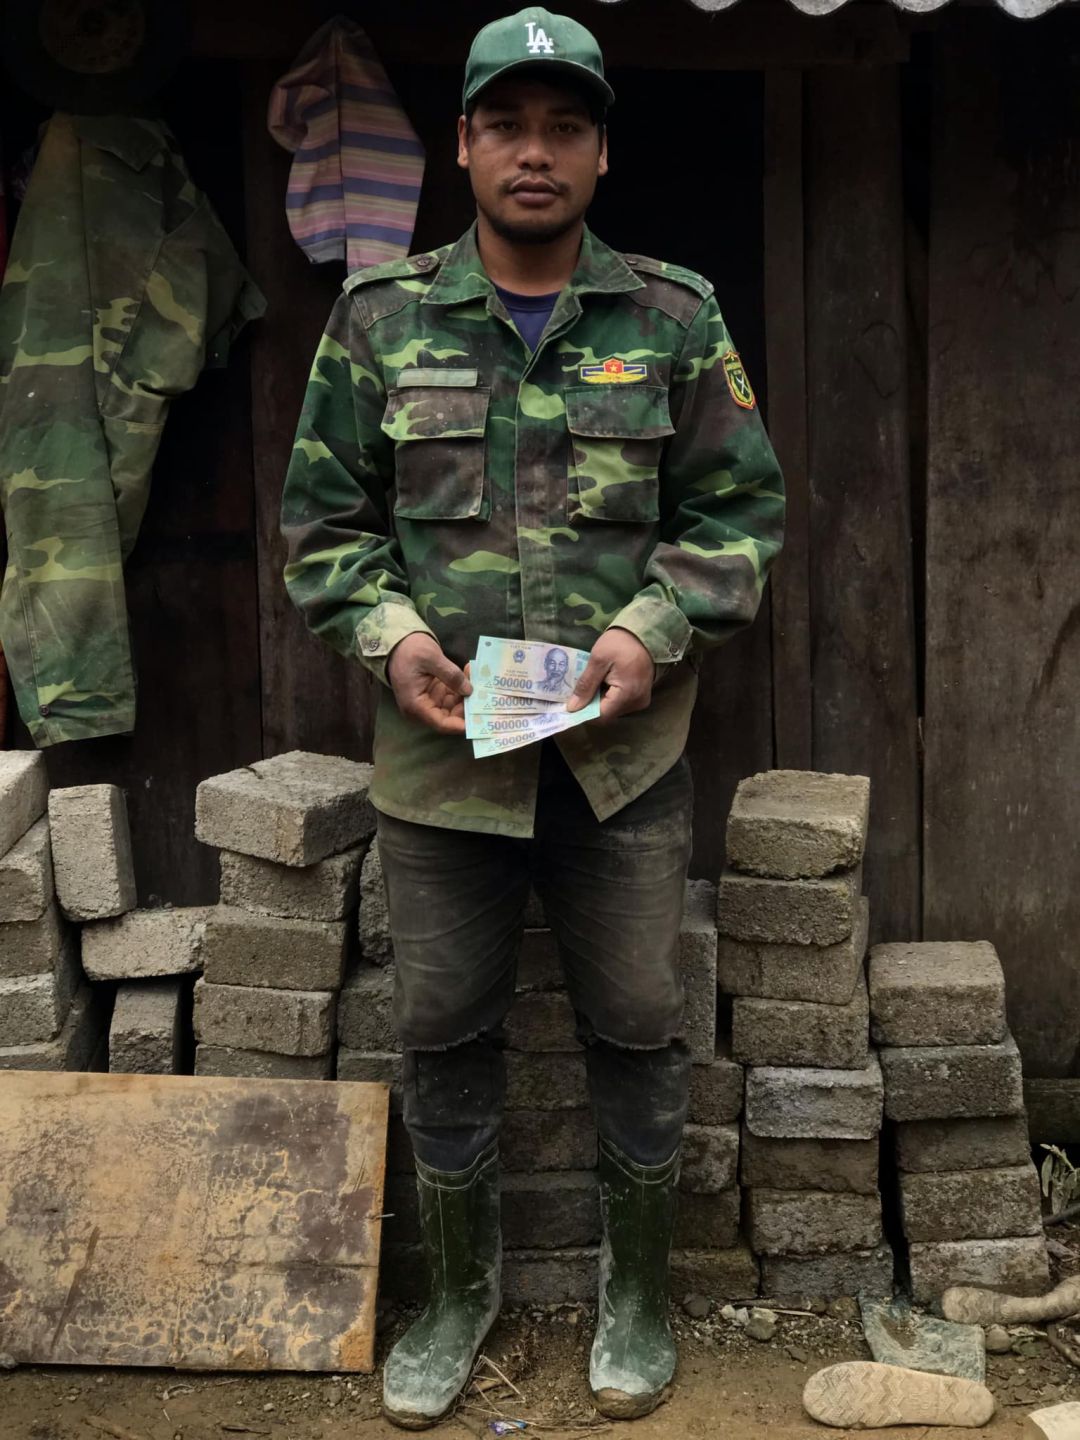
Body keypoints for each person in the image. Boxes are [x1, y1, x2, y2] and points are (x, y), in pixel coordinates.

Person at [282, 6, 784, 1427]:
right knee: (443, 1023)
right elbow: (323, 529)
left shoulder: (673, 317)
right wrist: (391, 640)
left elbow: (741, 515)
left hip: (622, 764)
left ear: (602, 151)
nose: (535, 152)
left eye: (565, 126)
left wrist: (649, 628)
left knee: (636, 1018)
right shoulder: (380, 319)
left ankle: (638, 1295)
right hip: (443, 766)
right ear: (463, 144)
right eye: (507, 124)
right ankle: (458, 1293)